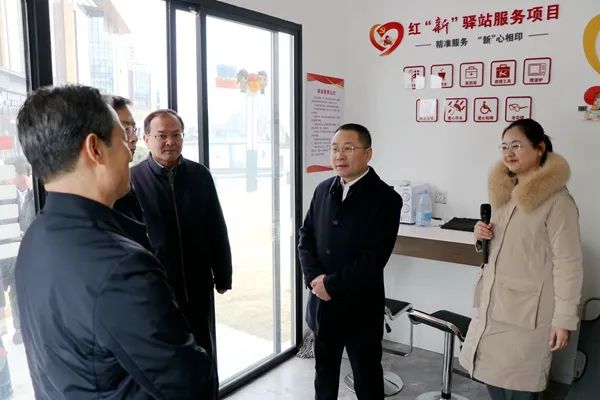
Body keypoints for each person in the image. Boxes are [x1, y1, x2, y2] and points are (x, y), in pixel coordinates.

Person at [15, 85, 216, 399]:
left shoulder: (34, 240)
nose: (130, 150)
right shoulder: (122, 268)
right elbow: (190, 385)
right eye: (123, 138)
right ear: (95, 149)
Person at [459, 119, 584, 400]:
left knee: (521, 386)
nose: (508, 152)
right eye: (504, 146)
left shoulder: (558, 202)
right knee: (490, 377)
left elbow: (569, 264)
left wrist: (563, 319)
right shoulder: (505, 193)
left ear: (539, 149)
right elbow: (504, 246)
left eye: (516, 145)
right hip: (493, 304)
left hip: (528, 315)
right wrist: (481, 236)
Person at [298, 123, 402, 400]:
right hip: (323, 305)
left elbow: (373, 258)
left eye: (348, 148)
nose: (339, 155)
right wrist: (314, 279)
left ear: (368, 153)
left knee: (367, 378)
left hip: (360, 308)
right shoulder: (323, 189)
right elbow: (305, 237)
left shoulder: (386, 199)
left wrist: (330, 284)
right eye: (334, 149)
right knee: (324, 374)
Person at [130, 109, 232, 388]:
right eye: (162, 136)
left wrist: (223, 274)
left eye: (176, 135)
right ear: (146, 139)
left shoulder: (200, 175)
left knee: (204, 354)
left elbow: (216, 227)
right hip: (157, 291)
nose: (170, 142)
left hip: (199, 286)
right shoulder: (132, 181)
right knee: (168, 362)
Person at [104, 95, 145, 224]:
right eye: (125, 129)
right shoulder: (98, 192)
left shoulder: (125, 183)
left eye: (133, 129)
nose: (134, 138)